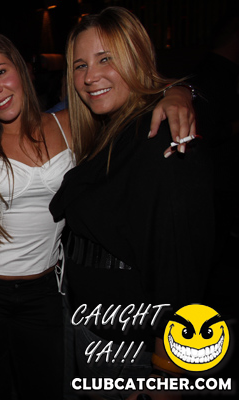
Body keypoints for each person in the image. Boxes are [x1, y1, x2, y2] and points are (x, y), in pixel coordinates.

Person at [0, 31, 197, 400]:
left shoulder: (72, 124)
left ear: (22, 69)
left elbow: (133, 98)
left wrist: (179, 92)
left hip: (46, 292)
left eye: (0, 71)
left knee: (47, 389)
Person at [49, 7, 215, 399]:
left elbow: (178, 269)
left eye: (105, 59)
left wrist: (167, 374)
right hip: (94, 328)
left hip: (131, 348)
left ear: (136, 57)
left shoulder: (163, 139)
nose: (90, 77)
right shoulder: (116, 128)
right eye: (80, 65)